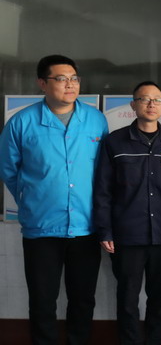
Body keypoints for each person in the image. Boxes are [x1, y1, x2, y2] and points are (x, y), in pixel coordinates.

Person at [0, 54, 109, 345]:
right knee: (42, 300)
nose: (70, 84)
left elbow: (104, 171)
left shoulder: (96, 120)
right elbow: (8, 169)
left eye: (74, 79)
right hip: (41, 227)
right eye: (61, 79)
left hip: (86, 226)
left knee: (83, 299)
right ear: (42, 83)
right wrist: (32, 198)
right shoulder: (22, 122)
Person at [93, 81, 161, 345]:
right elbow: (103, 190)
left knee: (159, 297)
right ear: (133, 105)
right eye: (145, 99)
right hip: (127, 235)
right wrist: (104, 230)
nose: (152, 104)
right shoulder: (115, 142)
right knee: (127, 298)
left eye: (157, 100)